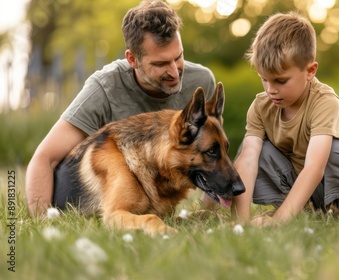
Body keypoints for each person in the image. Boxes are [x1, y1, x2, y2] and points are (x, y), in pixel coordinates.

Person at [25, 0, 216, 217]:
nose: (174, 71)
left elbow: (213, 157)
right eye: (160, 64)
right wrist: (42, 222)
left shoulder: (202, 81)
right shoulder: (103, 89)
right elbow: (44, 159)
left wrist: (205, 215)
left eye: (178, 57)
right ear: (132, 59)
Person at [231, 12, 339, 227]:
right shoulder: (260, 107)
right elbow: (247, 160)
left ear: (310, 71)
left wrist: (279, 221)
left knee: (333, 147)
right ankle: (303, 209)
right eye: (264, 80)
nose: (271, 90)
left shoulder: (324, 101)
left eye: (280, 80)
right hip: (304, 183)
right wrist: (240, 222)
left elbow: (315, 166)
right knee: (258, 151)